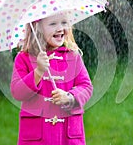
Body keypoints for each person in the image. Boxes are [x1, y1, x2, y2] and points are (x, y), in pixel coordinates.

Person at [11, 13, 93, 145]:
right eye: (53, 24)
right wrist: (38, 72)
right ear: (37, 28)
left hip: (68, 135)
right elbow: (17, 91)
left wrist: (70, 97)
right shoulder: (24, 58)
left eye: (64, 22)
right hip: (37, 137)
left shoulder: (73, 56)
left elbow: (86, 87)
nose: (60, 28)